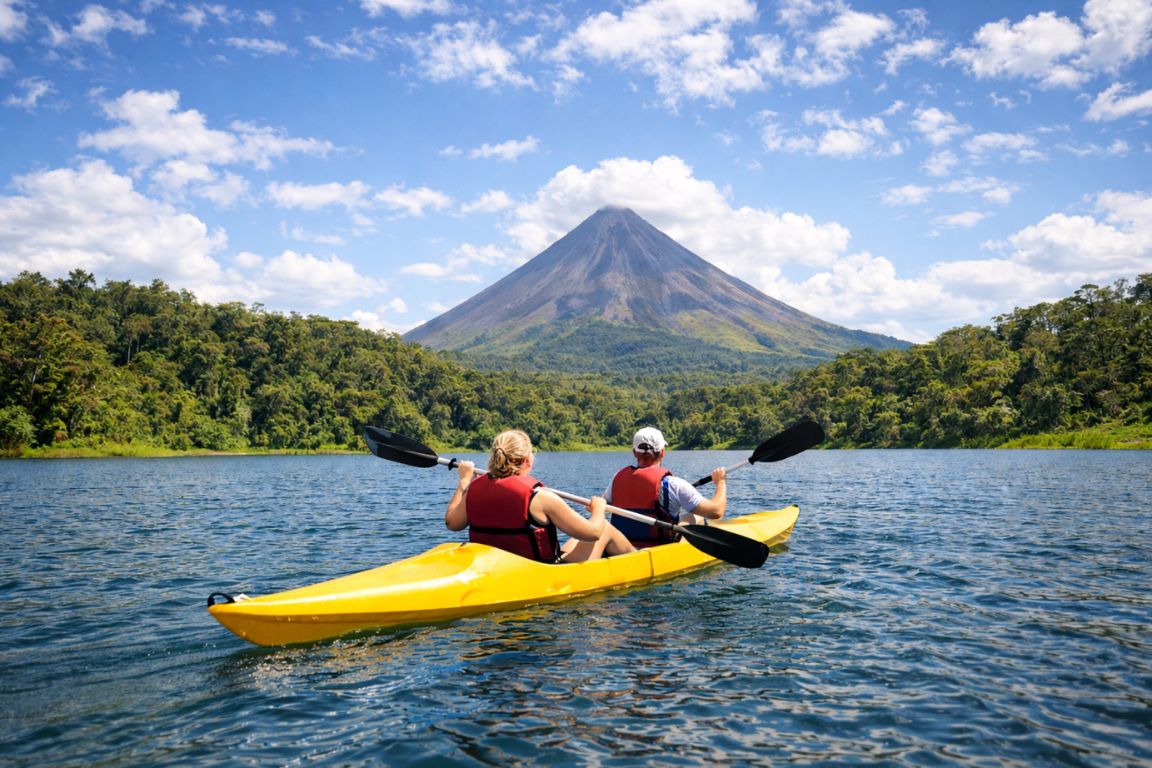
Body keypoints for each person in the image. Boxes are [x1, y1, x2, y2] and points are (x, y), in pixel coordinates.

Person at [445, 429, 636, 563]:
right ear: (527, 460)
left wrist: (463, 482)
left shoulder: (473, 490)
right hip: (541, 572)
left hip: (495, 569)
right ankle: (641, 560)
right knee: (604, 528)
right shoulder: (539, 497)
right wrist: (599, 510)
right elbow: (593, 532)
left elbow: (452, 524)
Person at [605, 427, 727, 548]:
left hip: (622, 547)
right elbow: (716, 511)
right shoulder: (673, 484)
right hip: (658, 547)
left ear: (634, 452)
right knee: (696, 516)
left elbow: (603, 503)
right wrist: (720, 481)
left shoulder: (617, 478)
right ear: (662, 452)